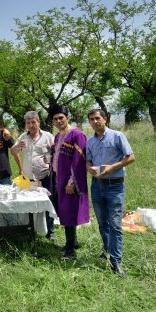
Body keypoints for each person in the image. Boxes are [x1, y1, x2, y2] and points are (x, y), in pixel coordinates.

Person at [86, 108, 135, 278]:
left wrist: (112, 167)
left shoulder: (117, 136)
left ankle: (116, 262)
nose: (95, 121)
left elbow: (131, 157)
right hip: (97, 185)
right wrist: (89, 169)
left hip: (115, 186)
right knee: (102, 223)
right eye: (91, 119)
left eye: (97, 118)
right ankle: (107, 250)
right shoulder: (90, 141)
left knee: (115, 225)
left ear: (105, 119)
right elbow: (88, 160)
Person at [48, 105, 90, 259]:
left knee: (70, 213)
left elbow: (80, 162)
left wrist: (72, 182)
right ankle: (72, 243)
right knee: (65, 212)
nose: (59, 121)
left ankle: (70, 252)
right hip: (58, 180)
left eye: (61, 118)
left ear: (68, 118)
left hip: (70, 182)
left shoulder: (77, 135)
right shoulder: (58, 137)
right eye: (56, 119)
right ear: (52, 122)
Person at [11, 110, 55, 241]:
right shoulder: (23, 137)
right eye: (28, 123)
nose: (31, 125)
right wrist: (18, 146)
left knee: (47, 204)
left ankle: (50, 232)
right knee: (28, 205)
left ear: (38, 122)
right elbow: (13, 151)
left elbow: (55, 153)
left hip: (45, 176)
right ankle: (31, 230)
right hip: (29, 179)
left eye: (33, 122)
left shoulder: (48, 136)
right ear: (26, 124)